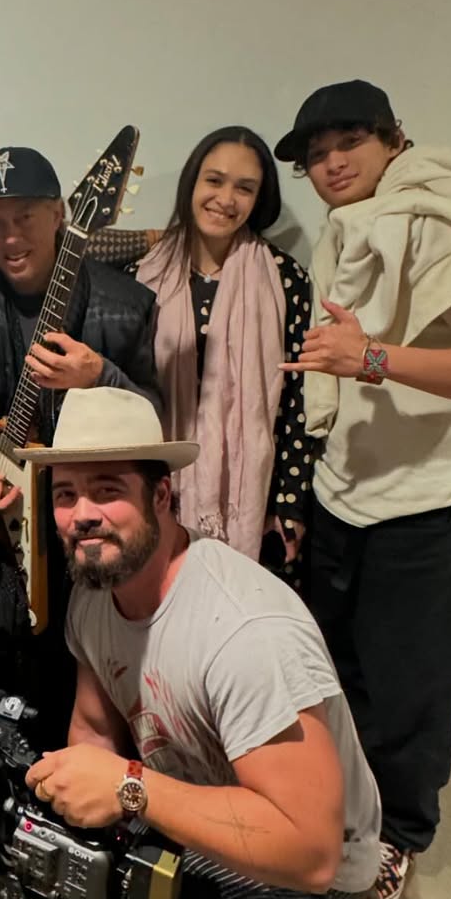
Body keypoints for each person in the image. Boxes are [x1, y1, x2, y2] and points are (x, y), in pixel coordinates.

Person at [11, 386, 380, 899]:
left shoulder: (245, 633)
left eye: (108, 490)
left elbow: (312, 849)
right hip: (203, 800)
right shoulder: (98, 589)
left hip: (321, 859)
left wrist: (132, 792)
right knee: (75, 892)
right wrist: (70, 846)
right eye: (67, 493)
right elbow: (95, 721)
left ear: (163, 494)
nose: (82, 514)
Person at [274, 79, 451, 899]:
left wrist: (374, 358)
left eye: (346, 144)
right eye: (316, 155)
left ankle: (400, 833)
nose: (331, 164)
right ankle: (347, 813)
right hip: (342, 496)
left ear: (394, 138)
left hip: (428, 507)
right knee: (341, 673)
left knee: (411, 687)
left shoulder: (443, 222)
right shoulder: (348, 229)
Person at [0, 146, 160, 741]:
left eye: (25, 216)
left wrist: (100, 374)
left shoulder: (127, 306)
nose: (9, 238)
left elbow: (156, 419)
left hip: (85, 524)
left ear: (61, 213)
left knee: (80, 668)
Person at [135, 126, 314, 585]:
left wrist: (289, 504)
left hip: (252, 490)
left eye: (245, 188)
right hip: (157, 485)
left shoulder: (283, 278)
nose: (226, 199)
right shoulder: (143, 273)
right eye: (214, 181)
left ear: (260, 199)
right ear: (192, 183)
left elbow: (296, 395)